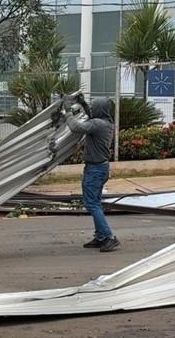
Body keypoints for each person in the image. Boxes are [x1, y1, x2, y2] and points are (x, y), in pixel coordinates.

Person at [64, 95, 119, 252]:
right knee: (96, 203)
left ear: (99, 109)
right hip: (101, 168)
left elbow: (75, 127)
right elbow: (93, 116)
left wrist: (67, 109)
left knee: (91, 204)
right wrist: (83, 104)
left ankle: (109, 237)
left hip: (95, 170)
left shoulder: (97, 124)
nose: (92, 109)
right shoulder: (106, 123)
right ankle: (100, 237)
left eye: (94, 107)